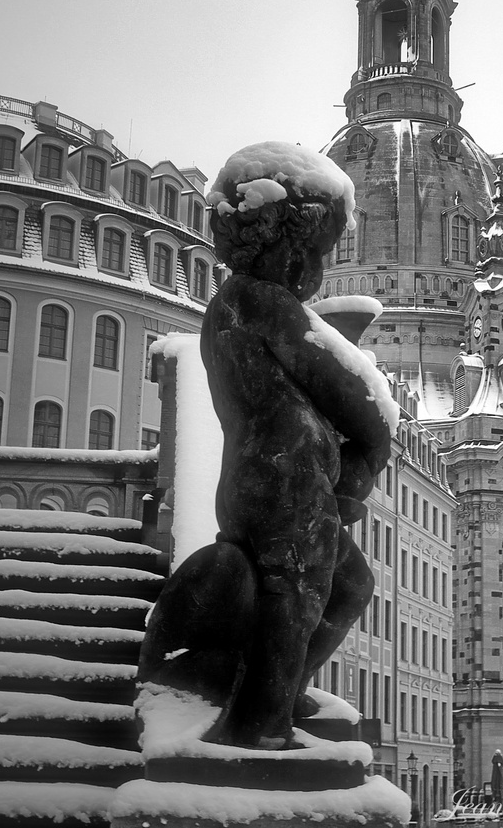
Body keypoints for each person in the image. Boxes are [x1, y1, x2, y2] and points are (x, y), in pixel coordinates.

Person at [138, 142, 396, 750]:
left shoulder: (229, 305)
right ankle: (257, 723)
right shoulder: (262, 302)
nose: (319, 269)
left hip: (261, 478)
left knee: (347, 586)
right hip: (287, 482)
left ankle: (279, 683)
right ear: (287, 241)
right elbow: (356, 392)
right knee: (296, 596)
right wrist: (363, 459)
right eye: (316, 252)